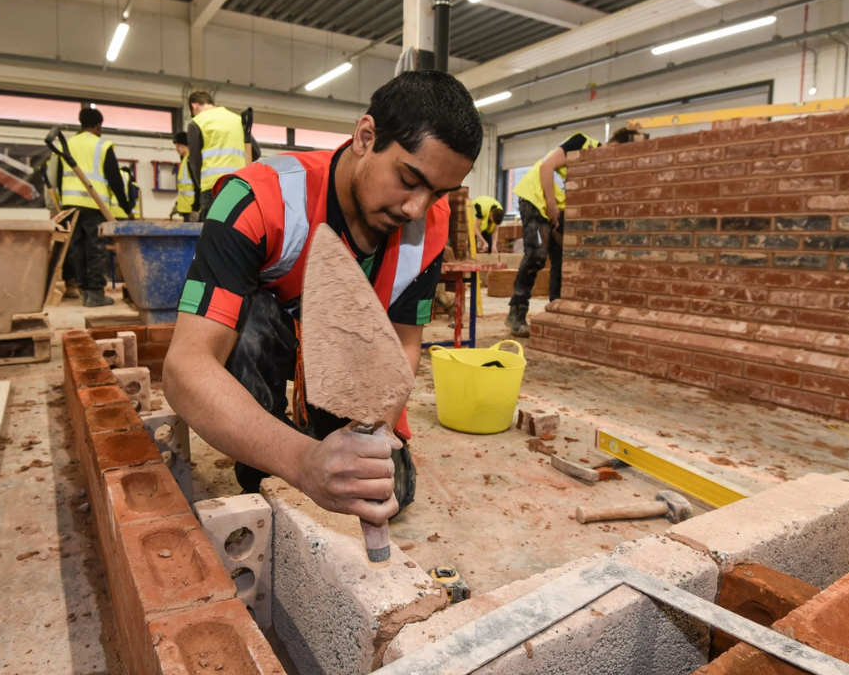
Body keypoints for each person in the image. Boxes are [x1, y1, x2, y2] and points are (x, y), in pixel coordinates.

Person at [163, 71, 482, 525]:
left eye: (438, 192)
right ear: (366, 136)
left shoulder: (428, 223)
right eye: (409, 178)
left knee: (390, 490)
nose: (417, 207)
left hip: (351, 363)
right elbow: (185, 368)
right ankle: (265, 460)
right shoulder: (258, 198)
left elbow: (404, 343)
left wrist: (369, 441)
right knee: (249, 317)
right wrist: (301, 462)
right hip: (276, 343)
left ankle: (329, 442)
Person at [505, 131, 602, 337]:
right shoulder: (583, 142)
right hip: (536, 199)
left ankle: (556, 311)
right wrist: (551, 204)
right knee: (536, 255)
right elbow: (546, 167)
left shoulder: (598, 165)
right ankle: (516, 313)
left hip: (557, 207)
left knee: (562, 259)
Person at [58, 107, 135, 307]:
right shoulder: (102, 145)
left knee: (77, 249)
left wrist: (61, 204)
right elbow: (115, 179)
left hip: (70, 204)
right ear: (99, 125)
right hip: (94, 203)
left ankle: (85, 291)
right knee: (95, 249)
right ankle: (96, 293)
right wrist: (126, 206)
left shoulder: (68, 144)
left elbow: (59, 177)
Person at [184, 92, 261, 214]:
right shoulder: (237, 119)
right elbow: (255, 152)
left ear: (194, 106)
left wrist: (200, 186)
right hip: (239, 186)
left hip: (212, 187)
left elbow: (195, 161)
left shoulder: (197, 122)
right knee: (237, 229)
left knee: (213, 231)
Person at [170, 133, 198, 221]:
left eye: (179, 145)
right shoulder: (185, 160)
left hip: (192, 210)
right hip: (187, 209)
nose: (177, 148)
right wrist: (177, 204)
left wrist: (196, 208)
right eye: (176, 145)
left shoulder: (191, 160)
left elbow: (198, 185)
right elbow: (184, 188)